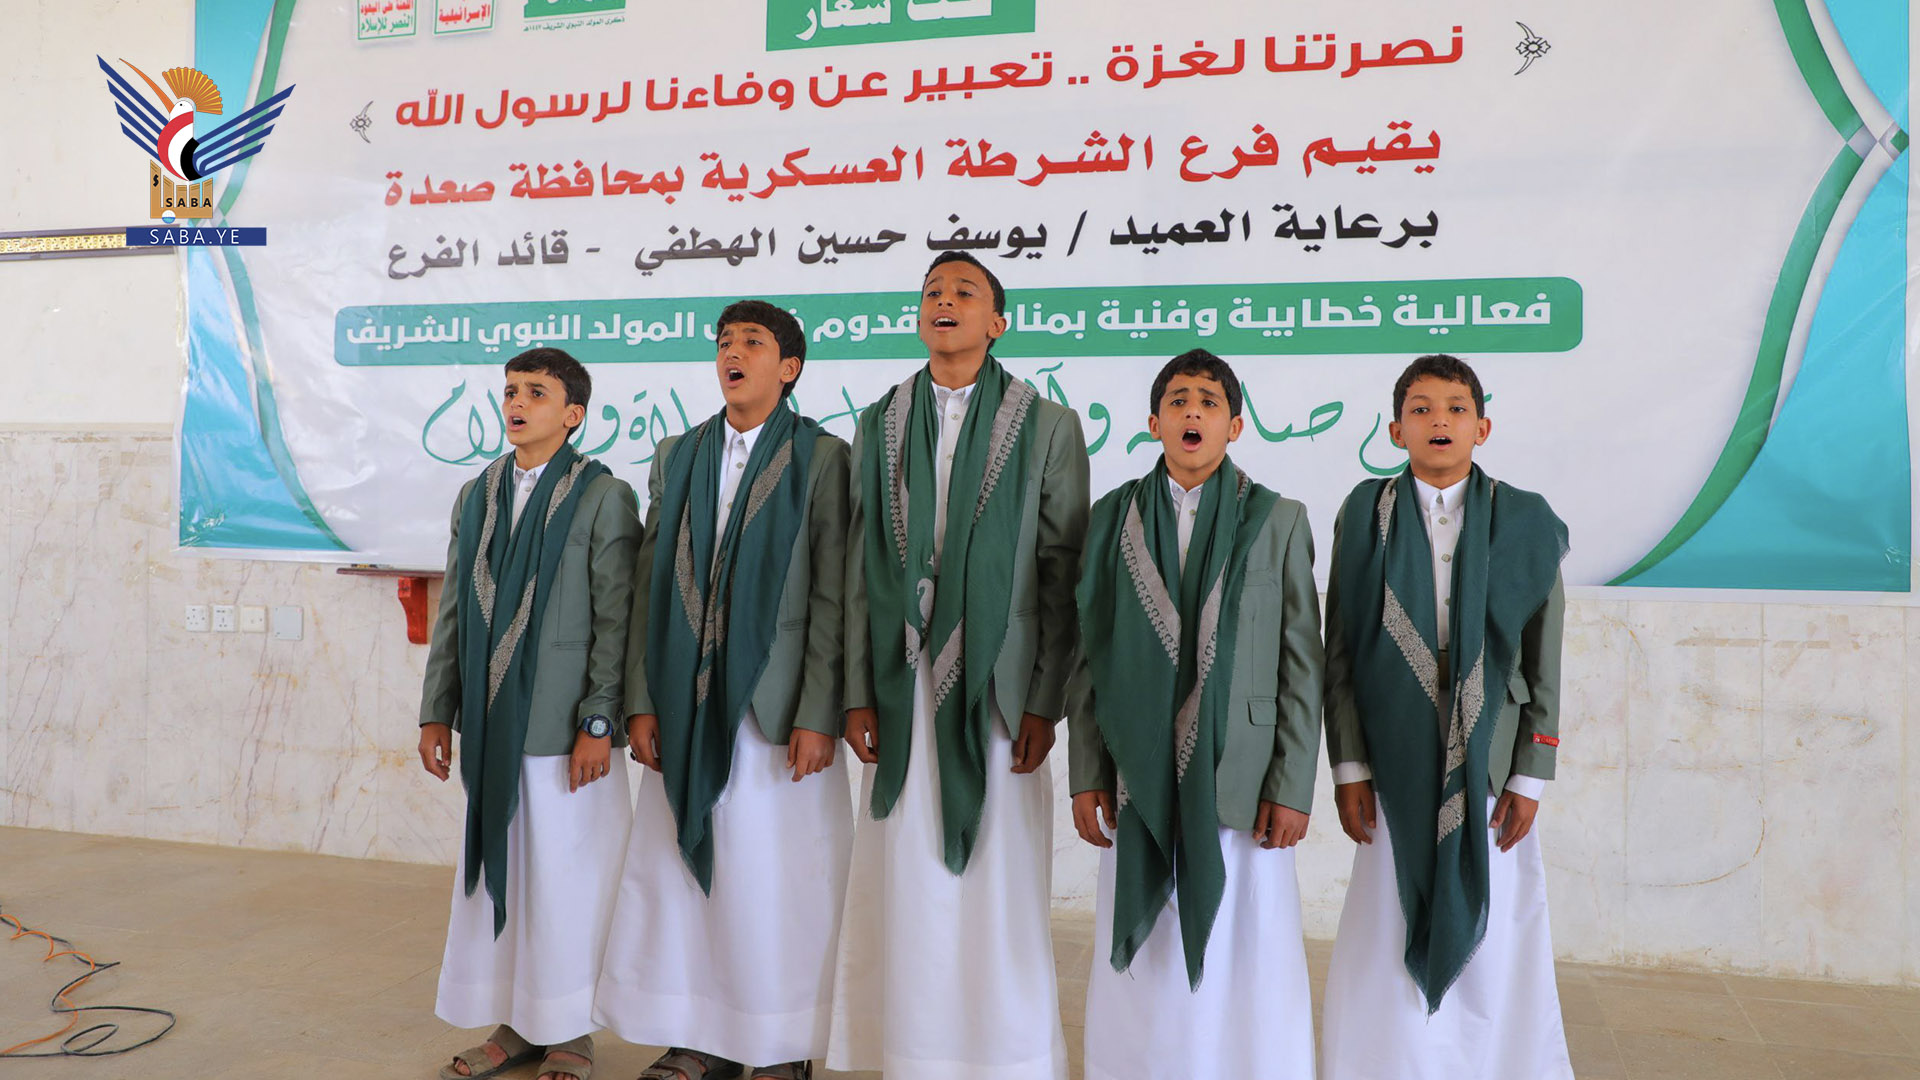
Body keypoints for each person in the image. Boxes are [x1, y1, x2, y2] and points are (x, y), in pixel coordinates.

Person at [826, 252, 1090, 1080]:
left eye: (965, 292)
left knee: (997, 878)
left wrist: (1044, 699)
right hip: (900, 683)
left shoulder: (1048, 425)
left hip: (1000, 690)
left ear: (997, 323)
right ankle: (913, 1052)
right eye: (933, 292)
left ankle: (1005, 1056)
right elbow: (861, 563)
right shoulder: (879, 420)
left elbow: (1062, 572)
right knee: (905, 876)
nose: (945, 301)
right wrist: (857, 690)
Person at [594, 300, 853, 1080]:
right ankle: (698, 1037)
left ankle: (779, 1046)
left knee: (776, 884)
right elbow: (649, 582)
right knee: (682, 879)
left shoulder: (824, 457)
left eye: (753, 342)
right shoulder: (678, 453)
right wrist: (641, 699)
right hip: (681, 704)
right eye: (724, 342)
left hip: (776, 713)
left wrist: (819, 711)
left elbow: (835, 595)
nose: (732, 353)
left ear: (790, 367)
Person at [1067, 349, 1321, 1080]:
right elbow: (1089, 652)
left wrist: (1292, 785)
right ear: (1153, 422)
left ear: (1235, 425)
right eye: (1177, 400)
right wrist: (1086, 773)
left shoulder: (1277, 519)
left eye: (1210, 402)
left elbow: (1301, 661)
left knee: (1247, 950)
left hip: (1242, 775)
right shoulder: (1113, 516)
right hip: (1135, 769)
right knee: (1148, 961)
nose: (1192, 412)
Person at [1319, 353, 1573, 1080]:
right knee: (1388, 917)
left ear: (1482, 427)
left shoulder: (1524, 519)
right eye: (1421, 409)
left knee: (1495, 931)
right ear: (1395, 428)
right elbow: (1342, 648)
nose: (1439, 421)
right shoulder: (1364, 513)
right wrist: (1349, 765)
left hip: (1491, 755)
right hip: (1391, 755)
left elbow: (1543, 656)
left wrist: (1531, 775)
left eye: (1457, 409)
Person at [418, 347, 640, 1080]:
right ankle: (516, 1024)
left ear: (573, 415)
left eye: (536, 393)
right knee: (503, 872)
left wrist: (599, 721)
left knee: (567, 884)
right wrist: (436, 710)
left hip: (565, 731)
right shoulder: (478, 495)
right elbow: (455, 610)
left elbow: (618, 620)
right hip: (490, 726)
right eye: (511, 390)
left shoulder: (603, 496)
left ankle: (571, 1034)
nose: (516, 403)